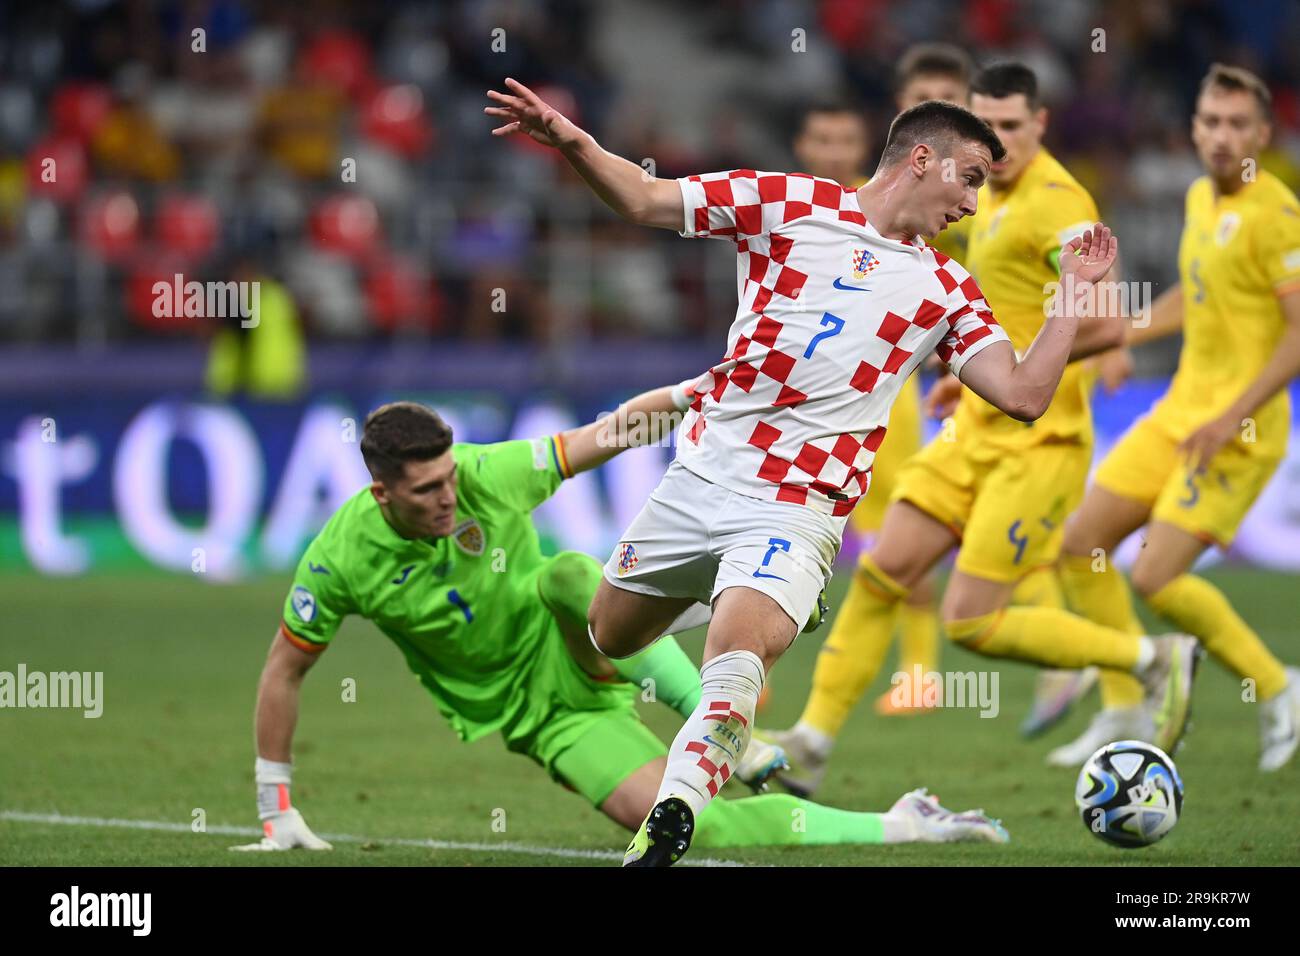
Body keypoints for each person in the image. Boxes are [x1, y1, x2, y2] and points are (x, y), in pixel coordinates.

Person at [486, 78, 1124, 866]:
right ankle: (749, 597)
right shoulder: (784, 202)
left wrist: (1069, 299)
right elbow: (647, 200)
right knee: (609, 635)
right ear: (920, 158)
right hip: (702, 476)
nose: (971, 204)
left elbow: (1025, 395)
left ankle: (672, 818)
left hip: (799, 505)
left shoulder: (948, 291)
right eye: (968, 179)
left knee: (737, 656)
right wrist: (573, 141)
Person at [235, 392, 1010, 854]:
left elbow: (605, 436)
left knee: (569, 574)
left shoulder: (483, 474)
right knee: (683, 826)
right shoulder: (340, 558)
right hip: (540, 716)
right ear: (381, 495)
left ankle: (726, 733)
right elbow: (284, 667)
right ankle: (905, 824)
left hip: (585, 639)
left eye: (449, 478)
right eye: (427, 491)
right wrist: (277, 810)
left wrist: (698, 392)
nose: (448, 497)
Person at [764, 61, 1135, 793]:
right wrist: (958, 374)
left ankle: (1137, 664)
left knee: (974, 614)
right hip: (976, 426)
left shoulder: (1054, 201)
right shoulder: (988, 199)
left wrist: (995, 369)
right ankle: (812, 738)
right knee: (882, 569)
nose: (996, 146)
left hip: (1035, 436)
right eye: (985, 129)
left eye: (1011, 128)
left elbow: (1106, 316)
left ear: (1041, 123)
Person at [1055, 63, 1300, 772]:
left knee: (1155, 577)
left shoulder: (1276, 214)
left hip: (1236, 433)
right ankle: (1125, 700)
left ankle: (1280, 687)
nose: (1222, 137)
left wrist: (1234, 417)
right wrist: (1113, 337)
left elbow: (1296, 335)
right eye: (1210, 122)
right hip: (1177, 413)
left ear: (1262, 133)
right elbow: (1194, 300)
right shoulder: (1200, 197)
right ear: (1194, 129)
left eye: (1237, 125)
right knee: (1081, 544)